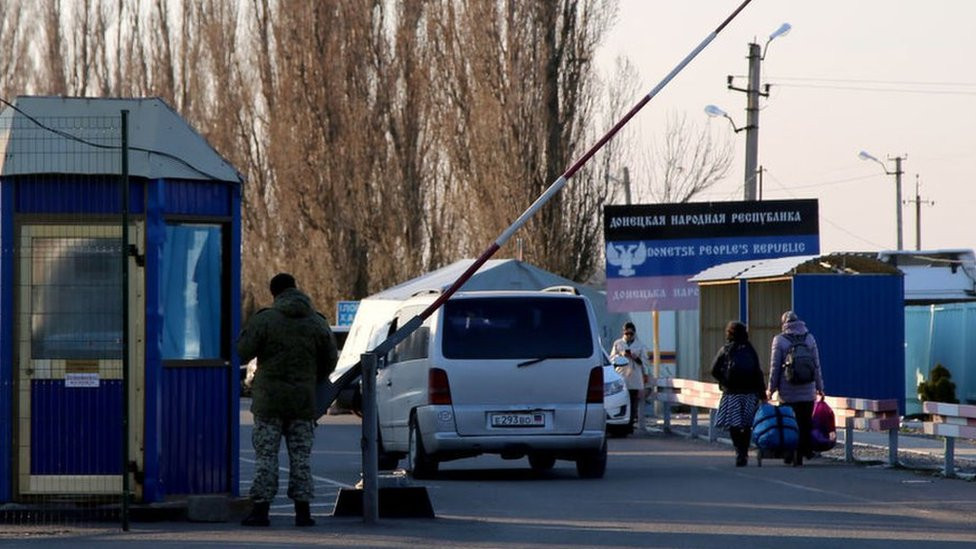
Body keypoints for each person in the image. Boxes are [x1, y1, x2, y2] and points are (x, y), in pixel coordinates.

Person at [238, 273, 338, 527]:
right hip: (303, 402)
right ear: (296, 289)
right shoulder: (317, 322)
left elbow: (242, 351)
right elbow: (330, 361)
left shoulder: (265, 320)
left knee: (266, 456)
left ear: (274, 293)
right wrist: (310, 377)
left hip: (268, 403)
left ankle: (260, 511)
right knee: (301, 457)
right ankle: (303, 513)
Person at [768, 310, 824, 467]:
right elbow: (816, 366)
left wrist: (771, 389)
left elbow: (775, 368)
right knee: (804, 423)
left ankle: (789, 453)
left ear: (784, 324)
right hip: (808, 391)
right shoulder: (809, 338)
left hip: (787, 392)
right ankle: (802, 452)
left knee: (788, 424)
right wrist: (820, 387)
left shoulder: (779, 340)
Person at [711, 321, 766, 467]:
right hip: (750, 393)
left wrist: (724, 382)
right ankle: (744, 451)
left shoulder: (726, 349)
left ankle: (739, 452)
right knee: (747, 425)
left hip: (732, 394)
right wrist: (762, 394)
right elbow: (758, 372)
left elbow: (714, 370)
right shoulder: (750, 349)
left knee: (734, 424)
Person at [609, 322, 650, 432]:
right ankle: (620, 425)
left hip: (634, 377)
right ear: (623, 333)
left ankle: (630, 425)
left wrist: (635, 357)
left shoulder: (640, 345)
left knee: (632, 402)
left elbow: (645, 362)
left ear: (634, 333)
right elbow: (611, 359)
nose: (629, 336)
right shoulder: (618, 344)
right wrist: (621, 355)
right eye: (627, 333)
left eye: (631, 334)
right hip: (621, 376)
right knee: (620, 401)